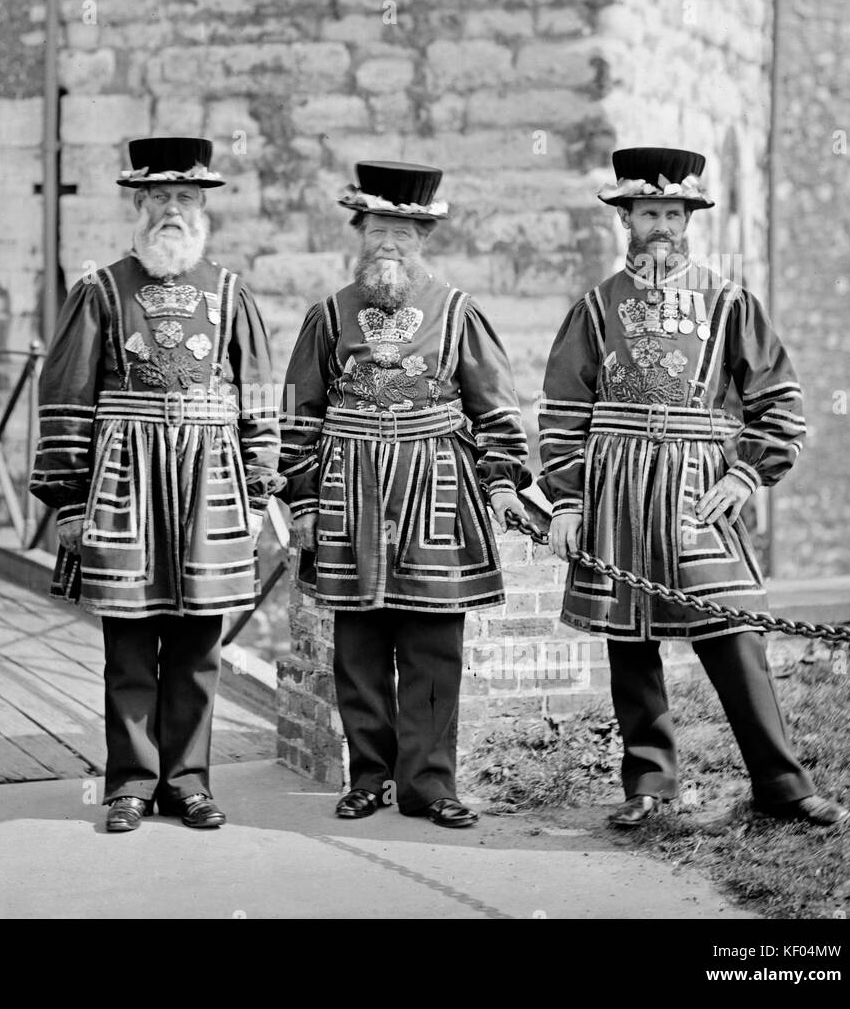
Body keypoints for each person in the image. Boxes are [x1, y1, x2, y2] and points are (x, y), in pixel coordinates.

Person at [539, 146, 849, 828]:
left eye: (672, 213)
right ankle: (648, 785)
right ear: (626, 219)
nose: (660, 225)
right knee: (630, 641)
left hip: (697, 490)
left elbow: (781, 401)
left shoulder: (731, 301)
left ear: (689, 221)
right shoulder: (594, 308)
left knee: (732, 627)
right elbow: (563, 408)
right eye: (647, 211)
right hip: (615, 491)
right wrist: (565, 498)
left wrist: (746, 472)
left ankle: (781, 784)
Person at [29, 136, 282, 833]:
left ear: (203, 210)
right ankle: (131, 783)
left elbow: (260, 398)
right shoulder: (100, 290)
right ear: (138, 206)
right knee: (131, 639)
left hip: (211, 481)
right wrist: (70, 500)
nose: (172, 210)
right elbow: (65, 396)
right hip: (125, 482)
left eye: (185, 199)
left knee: (200, 640)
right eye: (159, 198)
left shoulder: (231, 293)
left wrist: (260, 493)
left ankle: (189, 782)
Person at [280, 161, 529, 829]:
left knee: (432, 643)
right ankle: (369, 777)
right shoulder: (329, 314)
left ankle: (428, 782)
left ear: (423, 237)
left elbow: (498, 410)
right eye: (378, 229)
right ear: (360, 231)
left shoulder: (457, 313)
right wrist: (302, 501)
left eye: (404, 231)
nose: (389, 243)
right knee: (358, 643)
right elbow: (300, 414)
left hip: (438, 489)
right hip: (350, 492)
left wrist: (503, 483)